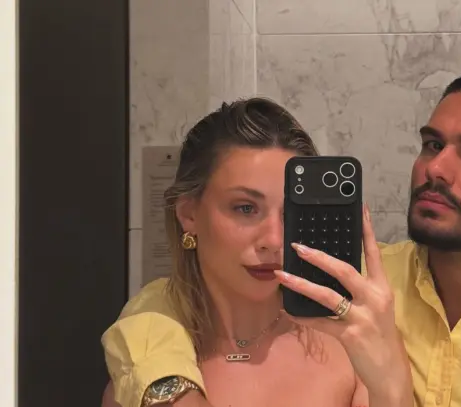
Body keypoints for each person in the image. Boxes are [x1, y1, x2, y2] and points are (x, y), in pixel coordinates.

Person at [102, 68, 461, 407]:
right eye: (432, 144)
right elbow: (171, 304)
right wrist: (170, 387)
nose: (437, 167)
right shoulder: (342, 282)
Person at [100, 97, 412, 407]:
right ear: (189, 214)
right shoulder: (146, 373)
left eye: (290, 214)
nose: (273, 240)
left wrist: (391, 388)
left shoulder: (347, 353)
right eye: (246, 208)